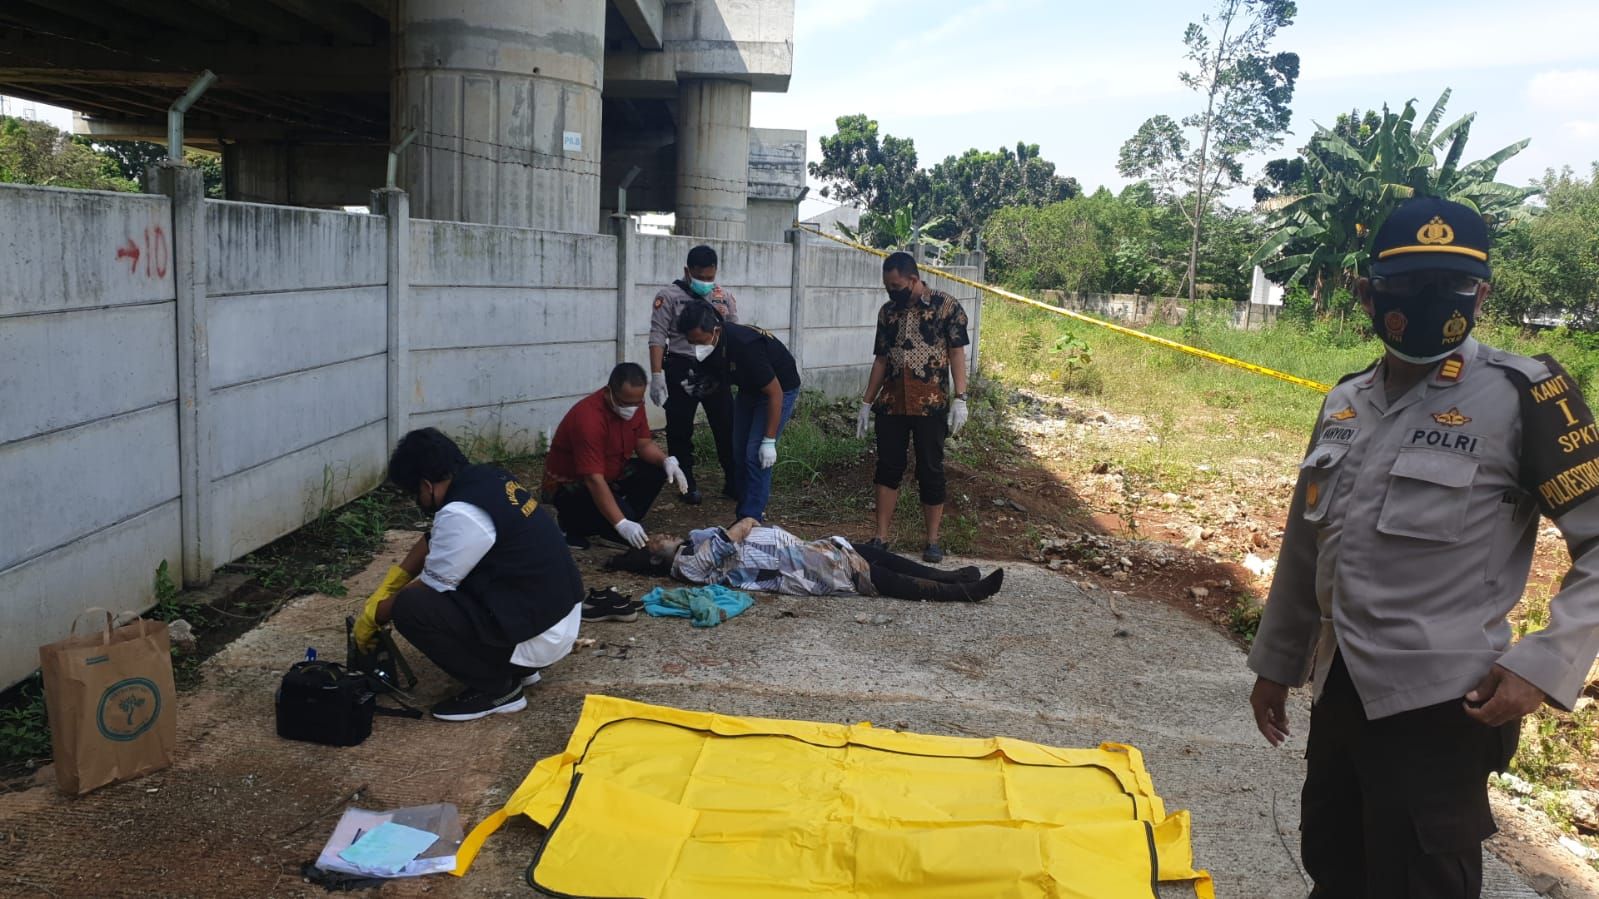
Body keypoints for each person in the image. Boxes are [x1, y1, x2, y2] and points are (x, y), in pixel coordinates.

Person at [1246, 196, 1599, 897]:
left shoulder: (1524, 394)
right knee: (1334, 864)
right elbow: (1305, 546)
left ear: (1482, 291)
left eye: (1452, 282)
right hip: (1341, 683)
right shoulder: (1344, 400)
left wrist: (1543, 663)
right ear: (1367, 289)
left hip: (1444, 703)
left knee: (1421, 882)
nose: (1429, 297)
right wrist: (1276, 663)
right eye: (1406, 282)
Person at [353, 428, 586, 722]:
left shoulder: (461, 513)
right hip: (556, 615)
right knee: (446, 589)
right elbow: (434, 539)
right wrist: (394, 579)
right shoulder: (488, 479)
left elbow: (429, 588)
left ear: (426, 485)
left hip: (541, 633)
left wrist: (375, 614)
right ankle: (520, 668)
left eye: (415, 493)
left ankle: (498, 689)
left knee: (410, 608)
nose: (417, 500)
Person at [857, 251, 971, 563]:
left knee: (931, 470)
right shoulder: (887, 313)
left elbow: (957, 353)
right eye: (887, 286)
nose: (891, 291)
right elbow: (881, 359)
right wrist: (867, 402)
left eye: (896, 285)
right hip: (891, 404)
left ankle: (932, 541)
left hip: (930, 405)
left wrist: (960, 398)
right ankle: (880, 537)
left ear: (913, 279)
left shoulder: (946, 307)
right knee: (887, 468)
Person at [635, 518, 1004, 602]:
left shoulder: (692, 543)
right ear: (654, 560)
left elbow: (735, 533)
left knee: (879, 556)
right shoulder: (685, 566)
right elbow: (728, 541)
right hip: (799, 568)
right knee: (880, 577)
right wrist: (740, 527)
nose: (660, 537)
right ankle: (966, 592)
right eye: (653, 542)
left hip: (808, 549)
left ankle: (952, 576)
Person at [541, 363, 688, 549]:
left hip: (611, 473)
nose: (632, 408)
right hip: (571, 485)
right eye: (626, 403)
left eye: (638, 402)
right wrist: (621, 522)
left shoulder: (635, 404)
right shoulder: (589, 419)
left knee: (656, 470)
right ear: (609, 392)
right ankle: (569, 523)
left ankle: (613, 524)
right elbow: (593, 479)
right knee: (621, 514)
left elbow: (643, 444)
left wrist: (666, 461)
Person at [679, 302, 801, 523]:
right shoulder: (711, 346)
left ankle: (751, 518)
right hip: (750, 389)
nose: (696, 347)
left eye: (699, 341)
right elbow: (715, 376)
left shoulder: (746, 346)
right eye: (691, 342)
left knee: (756, 454)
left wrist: (769, 441)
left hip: (779, 388)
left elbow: (775, 393)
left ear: (715, 330)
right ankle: (746, 508)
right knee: (738, 451)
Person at [649, 244, 739, 506]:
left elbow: (734, 333)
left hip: (715, 367)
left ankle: (733, 481)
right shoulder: (668, 297)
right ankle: (685, 481)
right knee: (679, 429)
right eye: (700, 277)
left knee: (726, 426)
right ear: (687, 271)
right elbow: (657, 335)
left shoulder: (723, 297)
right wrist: (656, 375)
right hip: (681, 365)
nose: (706, 283)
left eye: (710, 277)